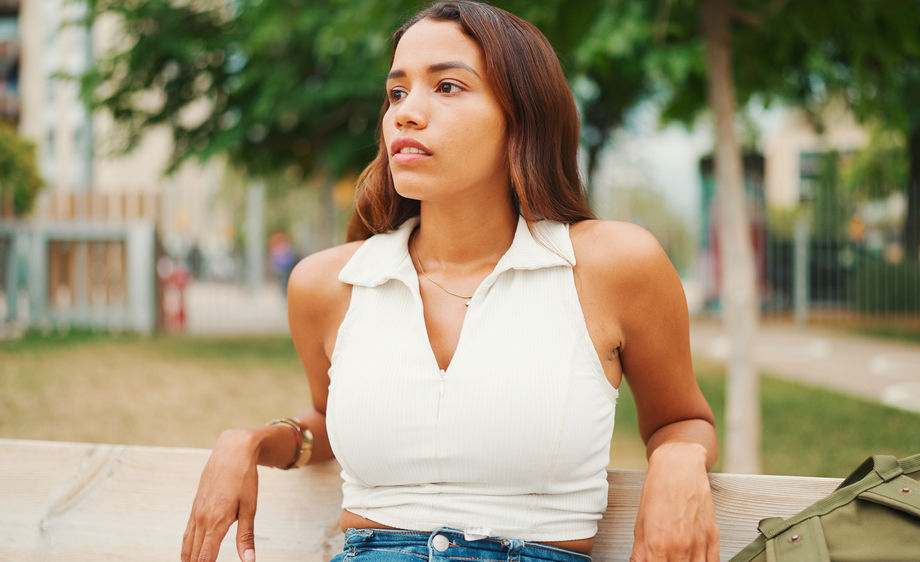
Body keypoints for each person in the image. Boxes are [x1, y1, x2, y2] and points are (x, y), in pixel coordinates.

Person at [181, 2, 719, 562]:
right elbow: (331, 425)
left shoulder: (614, 265)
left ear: (522, 115)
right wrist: (249, 442)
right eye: (397, 93)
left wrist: (678, 460)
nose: (406, 114)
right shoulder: (329, 283)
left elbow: (681, 419)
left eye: (447, 87)